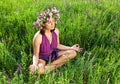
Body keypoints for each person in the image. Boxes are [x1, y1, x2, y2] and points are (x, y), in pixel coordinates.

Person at [29, 5, 83, 75]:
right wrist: (35, 64)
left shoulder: (56, 31)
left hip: (53, 54)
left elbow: (57, 45)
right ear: (43, 24)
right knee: (38, 70)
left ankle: (48, 68)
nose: (52, 24)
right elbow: (36, 55)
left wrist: (71, 47)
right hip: (42, 58)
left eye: (53, 21)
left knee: (73, 53)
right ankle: (53, 66)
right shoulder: (38, 37)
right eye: (49, 22)